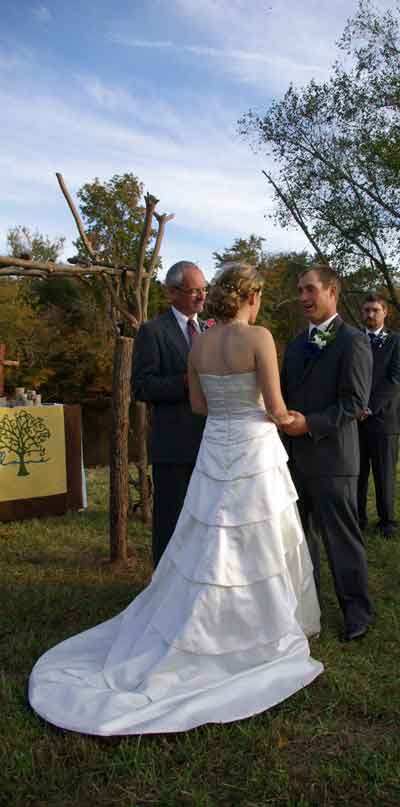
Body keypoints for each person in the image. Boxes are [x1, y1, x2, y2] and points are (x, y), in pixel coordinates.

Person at [29, 262, 323, 736]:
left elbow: (199, 406)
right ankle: (252, 628)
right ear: (251, 297)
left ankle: (200, 618)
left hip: (214, 446)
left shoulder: (201, 342)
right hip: (252, 448)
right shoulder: (260, 338)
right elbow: (273, 407)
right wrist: (297, 420)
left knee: (207, 537)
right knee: (258, 534)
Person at [280, 265, 374, 642]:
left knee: (341, 539)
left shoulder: (353, 340)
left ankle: (357, 612)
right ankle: (308, 607)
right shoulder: (292, 344)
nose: (303, 297)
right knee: (300, 539)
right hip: (292, 459)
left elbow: (354, 403)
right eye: (300, 290)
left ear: (331, 291)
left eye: (310, 290)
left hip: (334, 458)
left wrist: (310, 424)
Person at [132, 260, 208, 567]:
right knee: (170, 521)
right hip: (173, 444)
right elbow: (141, 387)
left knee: (202, 520)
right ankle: (162, 587)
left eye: (204, 289)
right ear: (172, 293)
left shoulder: (208, 330)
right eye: (194, 291)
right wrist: (185, 383)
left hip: (210, 443)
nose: (202, 297)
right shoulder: (153, 331)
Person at [357, 292, 400, 538]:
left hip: (384, 420)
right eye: (366, 310)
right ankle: (358, 518)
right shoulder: (353, 340)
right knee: (358, 473)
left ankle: (388, 522)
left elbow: (395, 380)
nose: (370, 314)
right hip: (354, 420)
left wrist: (369, 408)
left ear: (385, 312)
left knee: (384, 473)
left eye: (375, 310)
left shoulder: (396, 342)